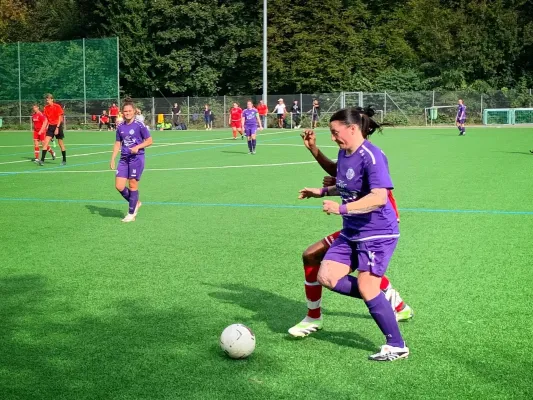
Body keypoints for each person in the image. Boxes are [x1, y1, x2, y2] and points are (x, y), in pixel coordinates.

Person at [296, 107, 409, 361]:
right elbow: (346, 183)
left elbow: (379, 198)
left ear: (353, 128)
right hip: (352, 230)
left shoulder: (373, 155)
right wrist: (322, 192)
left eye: (336, 133)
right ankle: (381, 298)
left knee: (368, 286)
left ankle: (397, 344)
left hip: (376, 231)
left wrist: (341, 208)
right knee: (327, 275)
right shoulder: (345, 152)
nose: (333, 138)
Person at [110, 99, 153, 223]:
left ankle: (131, 213)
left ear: (134, 111)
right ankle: (136, 202)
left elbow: (149, 141)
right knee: (119, 186)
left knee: (132, 184)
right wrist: (113, 158)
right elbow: (118, 143)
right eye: (125, 111)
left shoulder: (140, 125)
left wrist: (137, 147)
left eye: (129, 111)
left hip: (136, 158)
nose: (127, 113)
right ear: (122, 112)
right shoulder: (120, 126)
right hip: (124, 159)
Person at [38, 93, 66, 166]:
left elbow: (60, 118)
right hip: (50, 126)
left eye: (48, 100)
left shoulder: (57, 106)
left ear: (52, 99)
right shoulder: (46, 108)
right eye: (46, 100)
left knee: (60, 144)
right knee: (45, 142)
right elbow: (46, 119)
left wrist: (57, 128)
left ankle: (64, 160)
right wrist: (42, 129)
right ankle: (42, 160)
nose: (47, 101)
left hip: (58, 126)